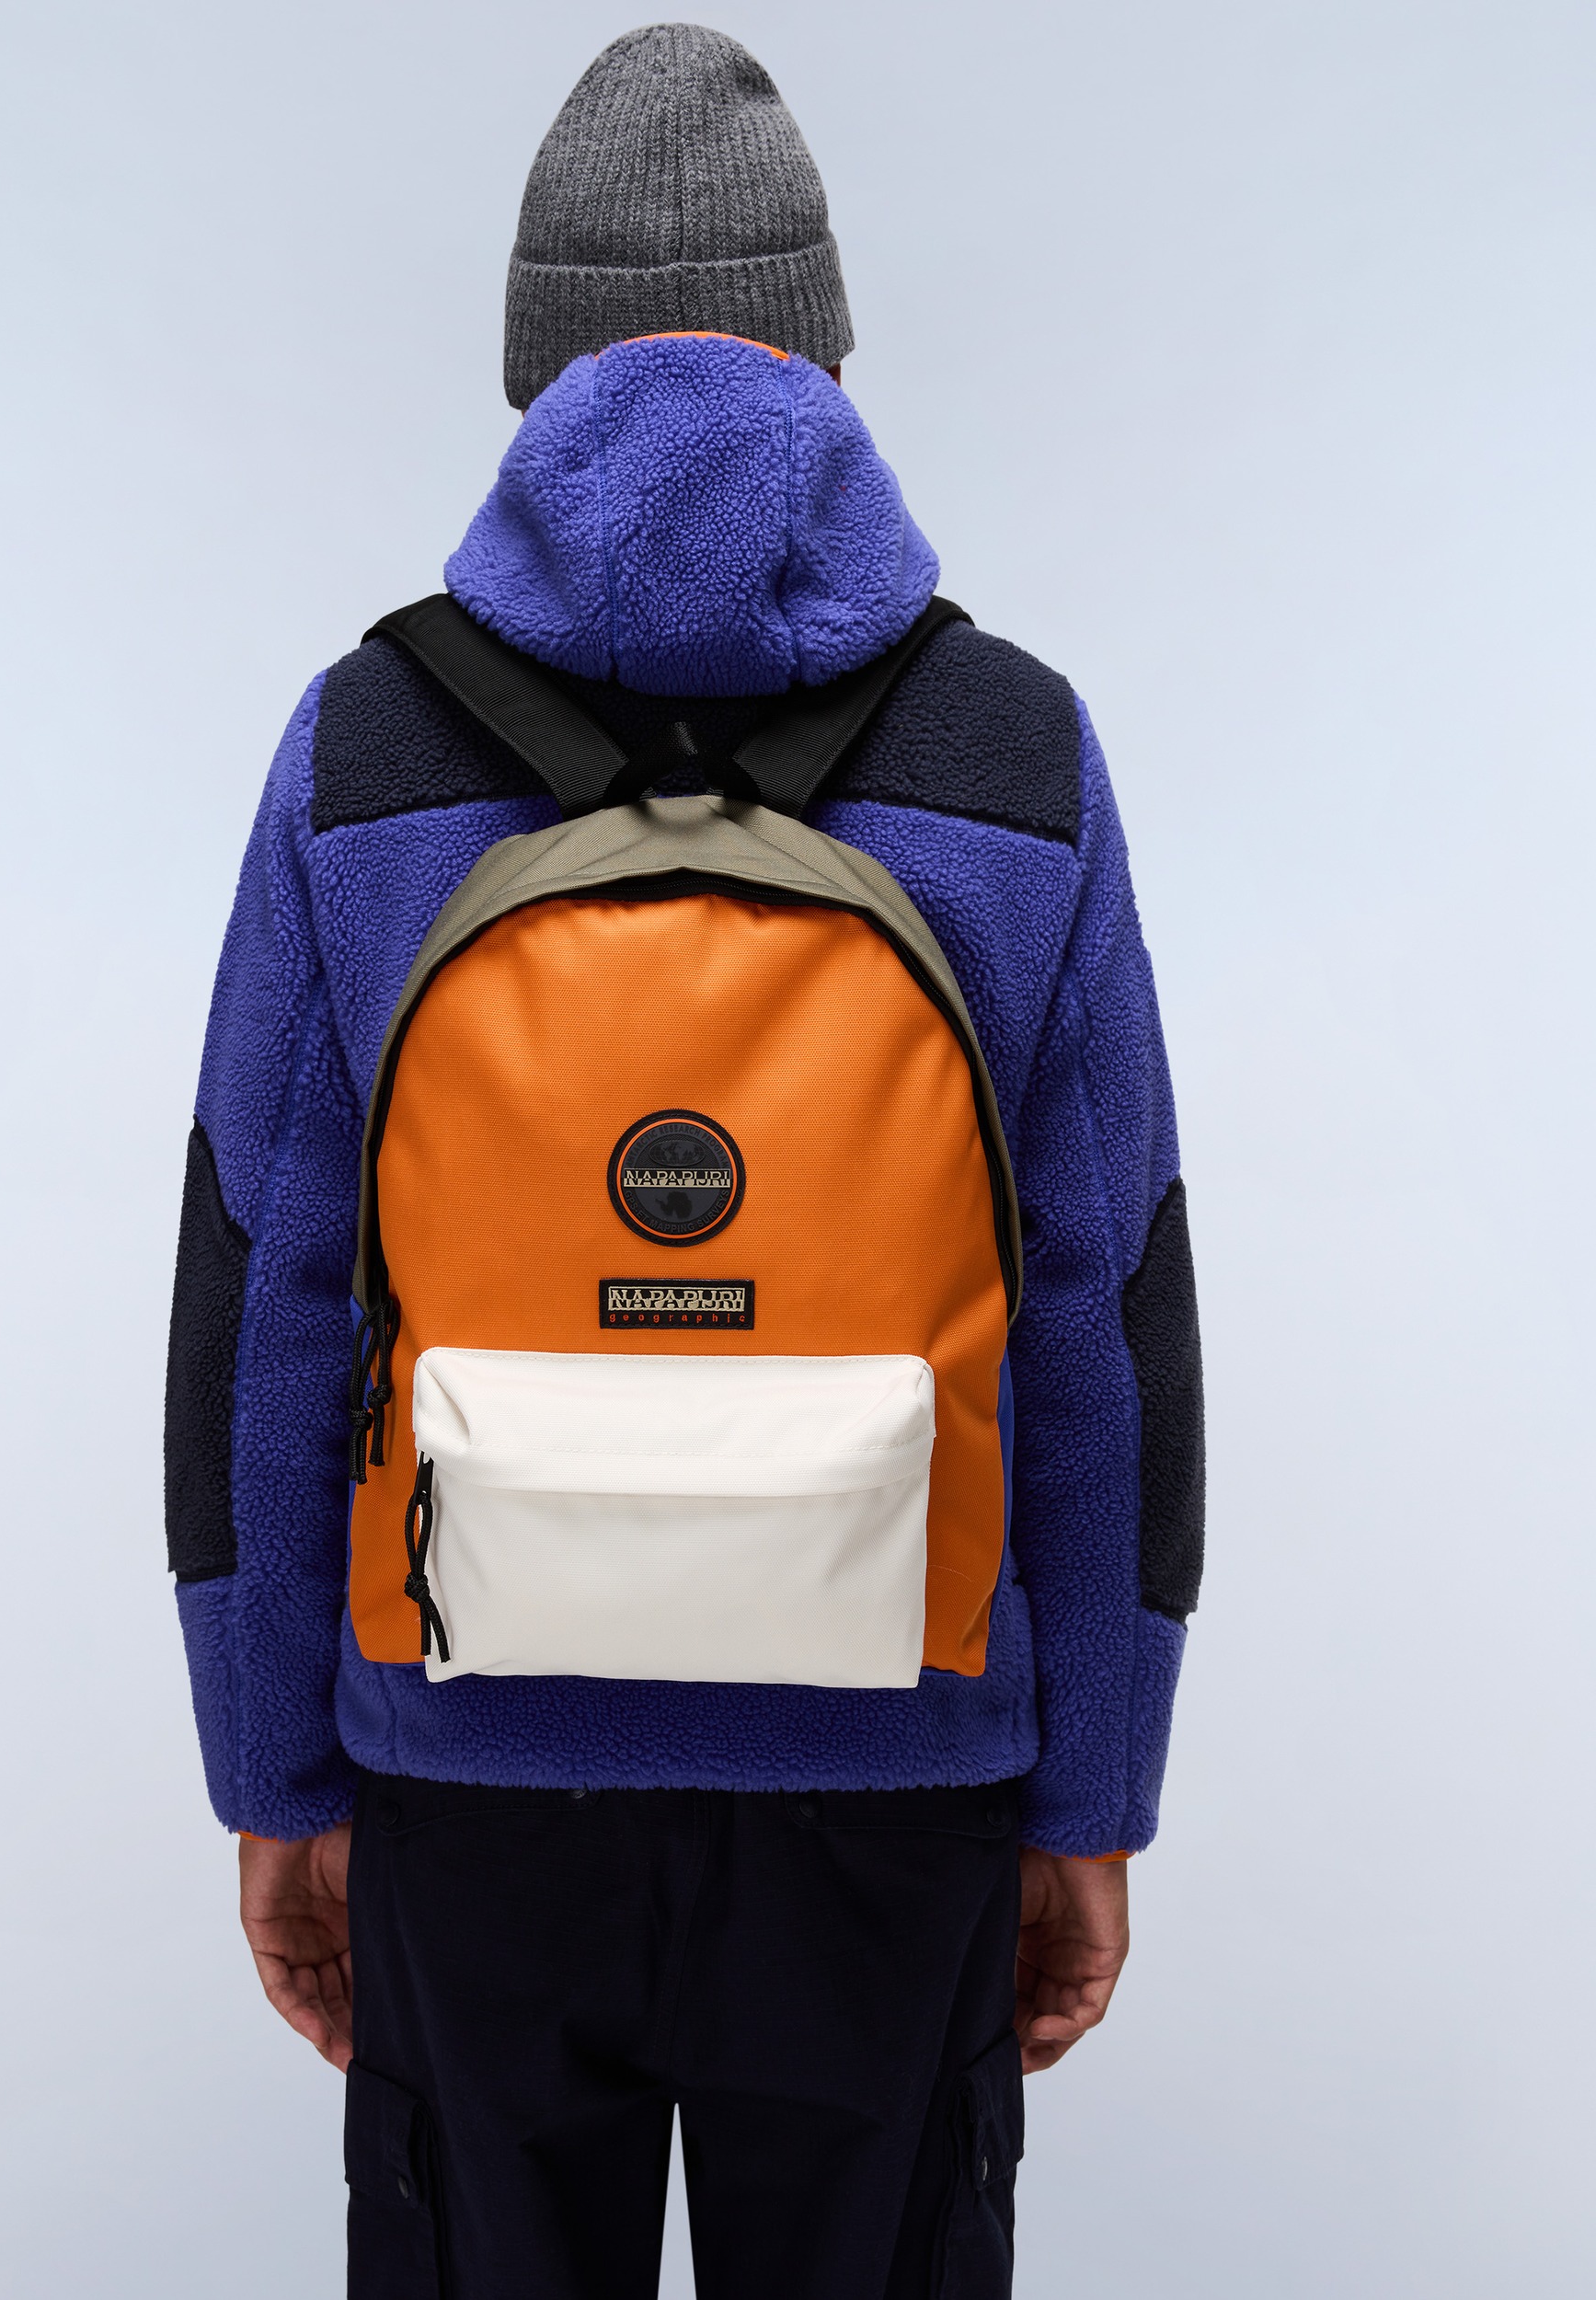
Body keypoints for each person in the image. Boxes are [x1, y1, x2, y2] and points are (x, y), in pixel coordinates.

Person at [164, 24, 1204, 2297]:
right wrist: (1092, 1795)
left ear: (528, 375)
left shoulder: (361, 747)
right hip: (900, 1773)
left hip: (463, 1763)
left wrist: (275, 1773)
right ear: (825, 353)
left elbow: (263, 1289)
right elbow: (1107, 1310)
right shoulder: (1013, 749)